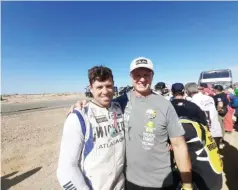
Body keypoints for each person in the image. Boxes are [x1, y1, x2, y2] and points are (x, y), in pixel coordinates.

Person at [69, 57, 193, 190]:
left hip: (161, 181)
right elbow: (100, 102)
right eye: (137, 75)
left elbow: (179, 145)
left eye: (146, 75)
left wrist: (187, 184)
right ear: (131, 76)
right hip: (129, 181)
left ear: (152, 76)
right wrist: (83, 105)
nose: (142, 79)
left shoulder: (165, 105)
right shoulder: (120, 102)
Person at [57, 66, 125, 190]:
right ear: (91, 89)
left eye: (108, 86)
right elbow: (65, 169)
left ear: (114, 86)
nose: (105, 91)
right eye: (99, 87)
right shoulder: (79, 117)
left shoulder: (119, 107)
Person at [171, 83, 223, 190]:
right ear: (184, 92)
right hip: (213, 172)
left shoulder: (185, 128)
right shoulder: (194, 108)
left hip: (205, 179)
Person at [184, 83, 223, 150]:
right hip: (216, 130)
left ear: (187, 91)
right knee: (216, 154)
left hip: (205, 134)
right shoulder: (209, 98)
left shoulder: (191, 103)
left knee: (207, 157)